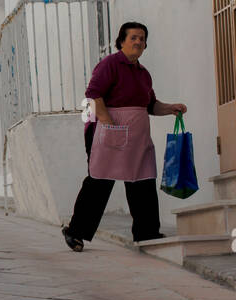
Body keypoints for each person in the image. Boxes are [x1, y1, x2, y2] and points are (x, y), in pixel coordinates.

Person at [62, 21, 186, 251]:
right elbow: (93, 95)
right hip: (108, 131)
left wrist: (171, 108)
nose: (138, 41)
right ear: (121, 41)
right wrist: (109, 126)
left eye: (142, 38)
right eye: (133, 38)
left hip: (138, 137)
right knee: (99, 181)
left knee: (143, 180)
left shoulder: (144, 74)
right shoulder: (110, 64)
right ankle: (75, 231)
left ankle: (146, 233)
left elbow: (150, 105)